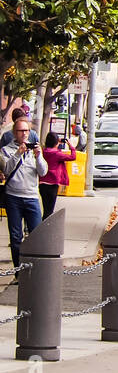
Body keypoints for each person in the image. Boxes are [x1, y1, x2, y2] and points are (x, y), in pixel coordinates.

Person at [1, 116, 48, 273]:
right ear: (14, 132)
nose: (24, 134)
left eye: (26, 131)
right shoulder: (7, 150)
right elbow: (6, 170)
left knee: (36, 235)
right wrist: (18, 153)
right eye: (21, 131)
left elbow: (43, 172)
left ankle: (35, 270)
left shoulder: (34, 150)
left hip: (32, 197)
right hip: (13, 197)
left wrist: (39, 156)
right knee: (16, 237)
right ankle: (18, 271)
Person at [39, 132, 77, 219]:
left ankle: (43, 225)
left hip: (42, 183)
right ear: (56, 142)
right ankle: (45, 228)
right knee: (50, 209)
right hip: (53, 184)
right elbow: (73, 157)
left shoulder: (43, 152)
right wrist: (70, 145)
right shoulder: (57, 154)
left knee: (45, 208)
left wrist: (56, 143)